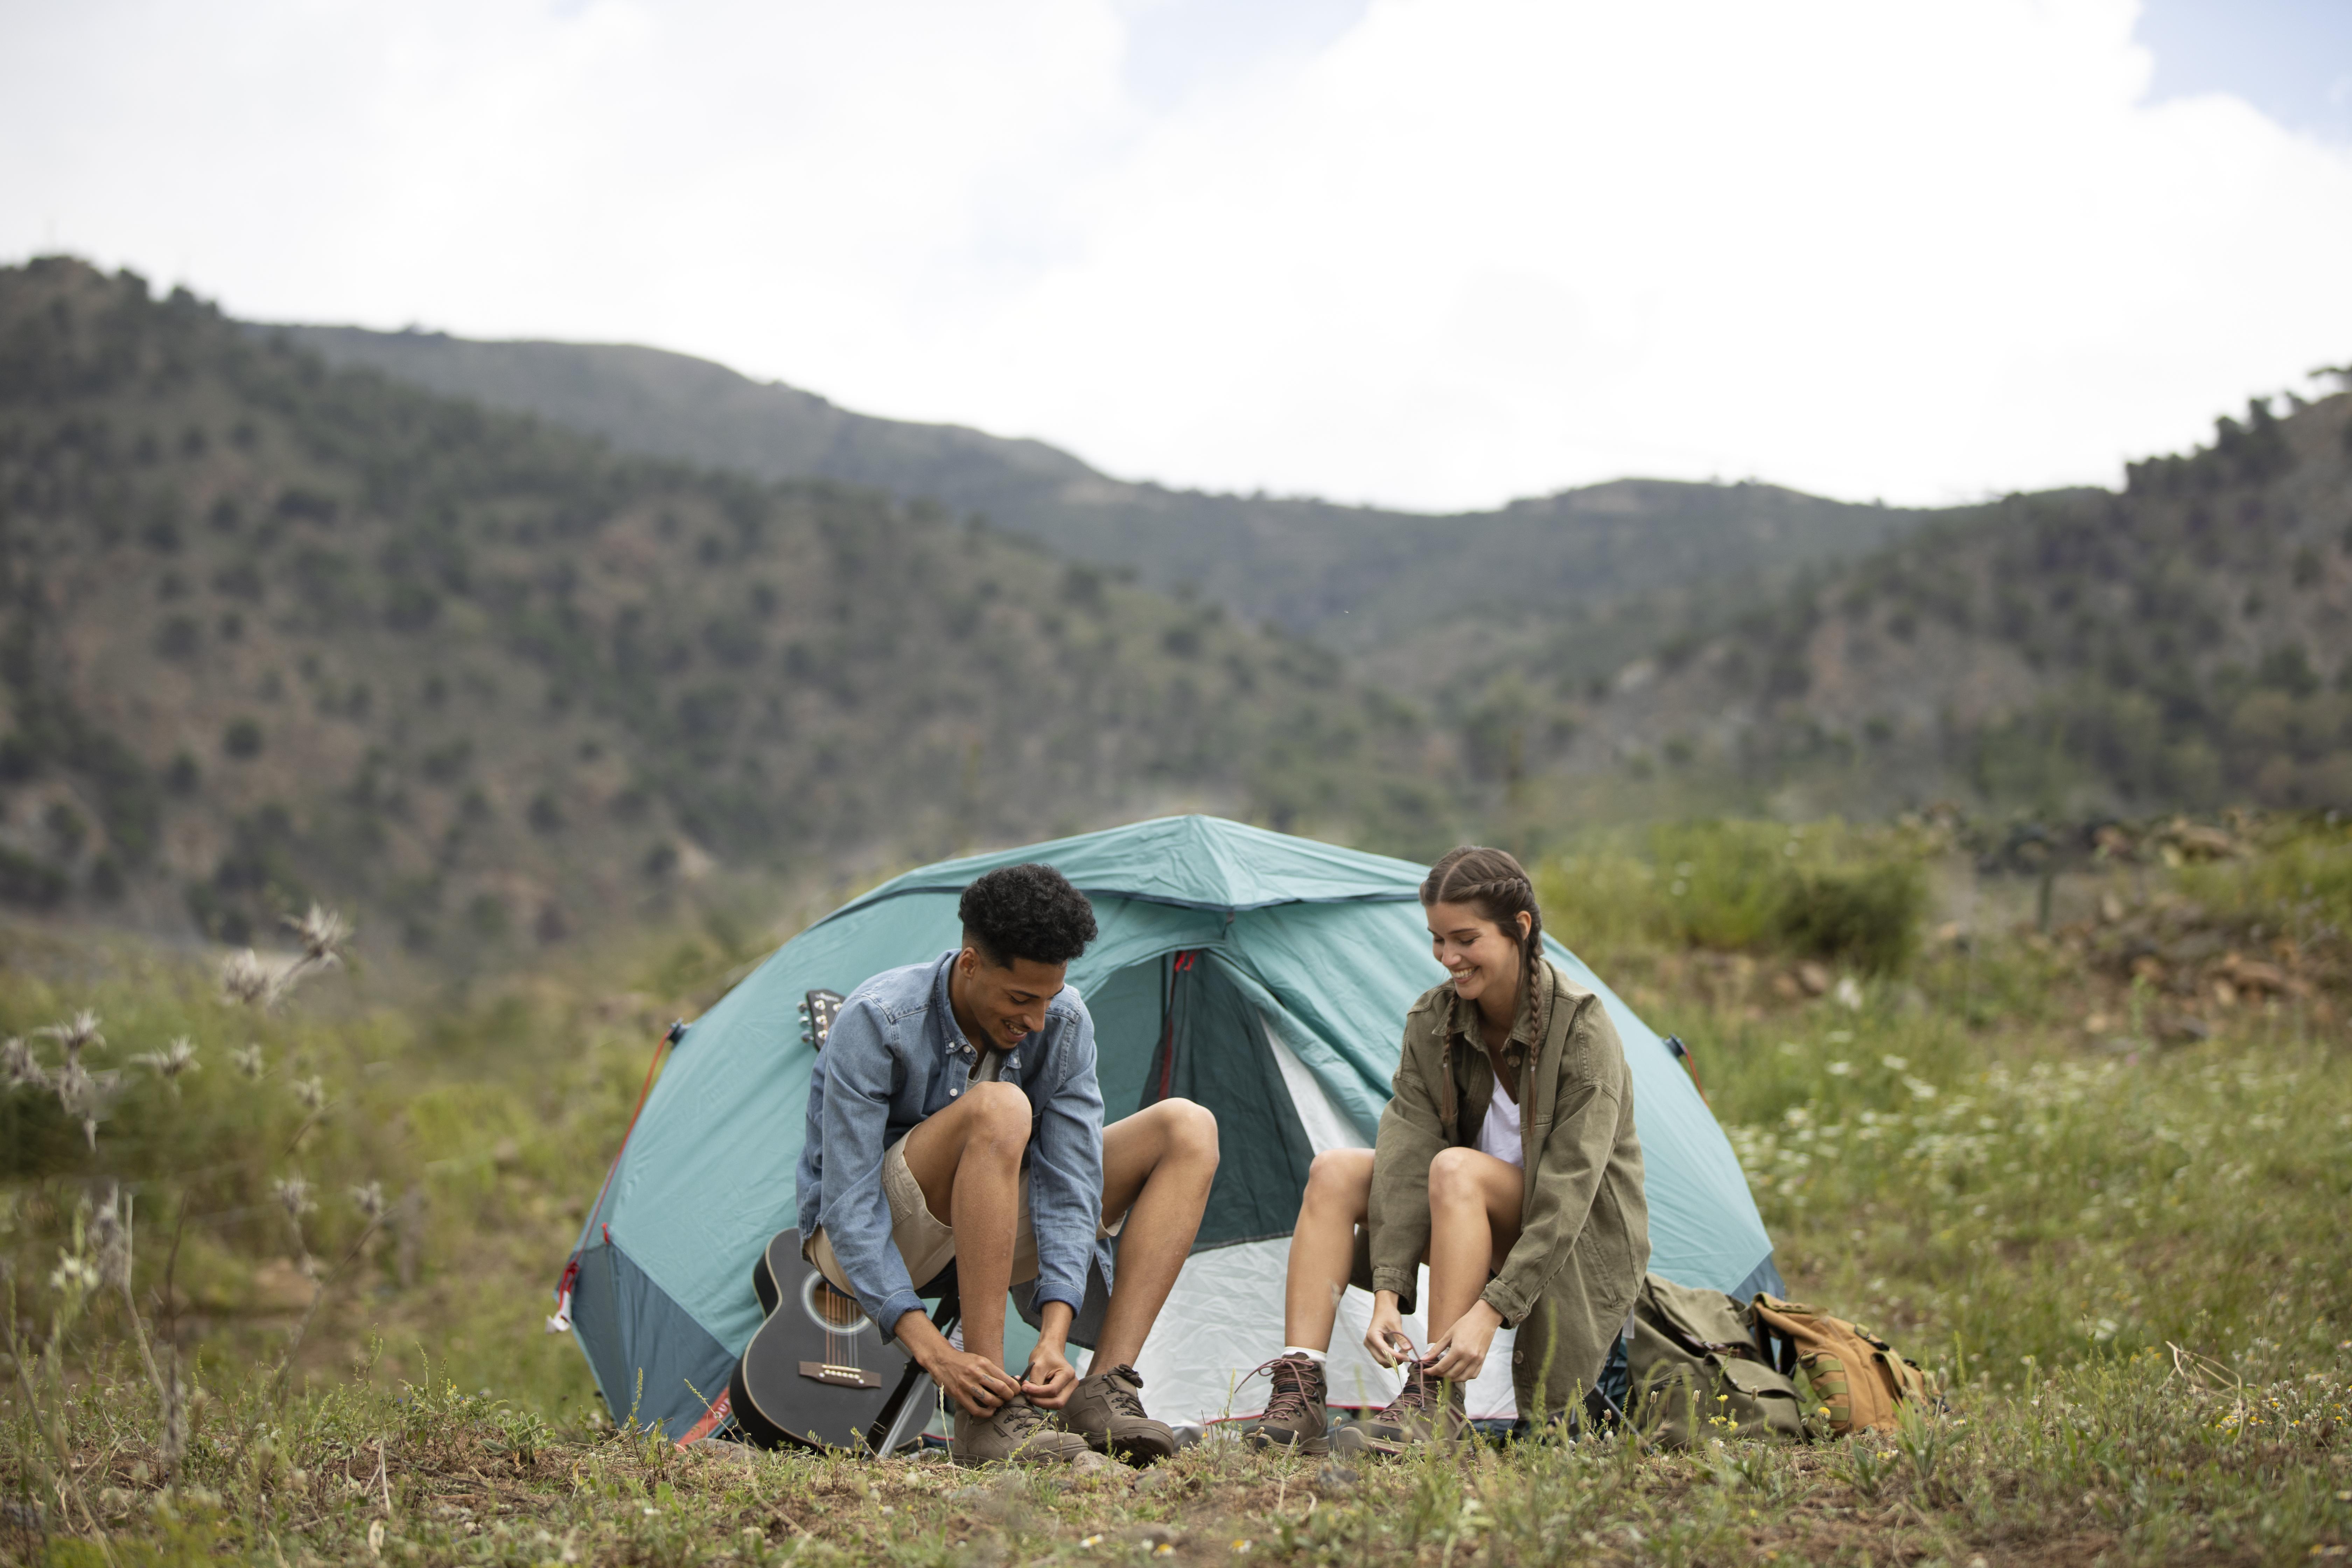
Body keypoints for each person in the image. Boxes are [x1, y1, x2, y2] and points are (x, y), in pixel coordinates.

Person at [796, 863, 1220, 1465]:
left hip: (994, 1233)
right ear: (970, 963)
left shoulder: (1066, 1022)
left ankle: (1105, 1389)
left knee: (1188, 1127)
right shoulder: (880, 1019)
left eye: (1049, 998)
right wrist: (937, 1353)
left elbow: (1073, 1185)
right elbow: (848, 1205)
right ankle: (986, 1408)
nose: (1038, 1020)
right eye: (1021, 999)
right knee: (999, 1108)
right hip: (871, 1240)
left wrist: (1054, 1330)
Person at [1247, 846, 1648, 1452]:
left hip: (1573, 1240)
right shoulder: (1435, 1018)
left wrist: (1490, 1313)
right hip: (1470, 1219)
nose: (1449, 959)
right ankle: (1301, 1387)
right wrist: (1387, 1292)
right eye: (1438, 940)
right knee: (1335, 1171)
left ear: (1520, 928)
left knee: (1456, 1168)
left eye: (1465, 939)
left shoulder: (1581, 1028)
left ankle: (1438, 1403)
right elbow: (1407, 1149)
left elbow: (1571, 1193)